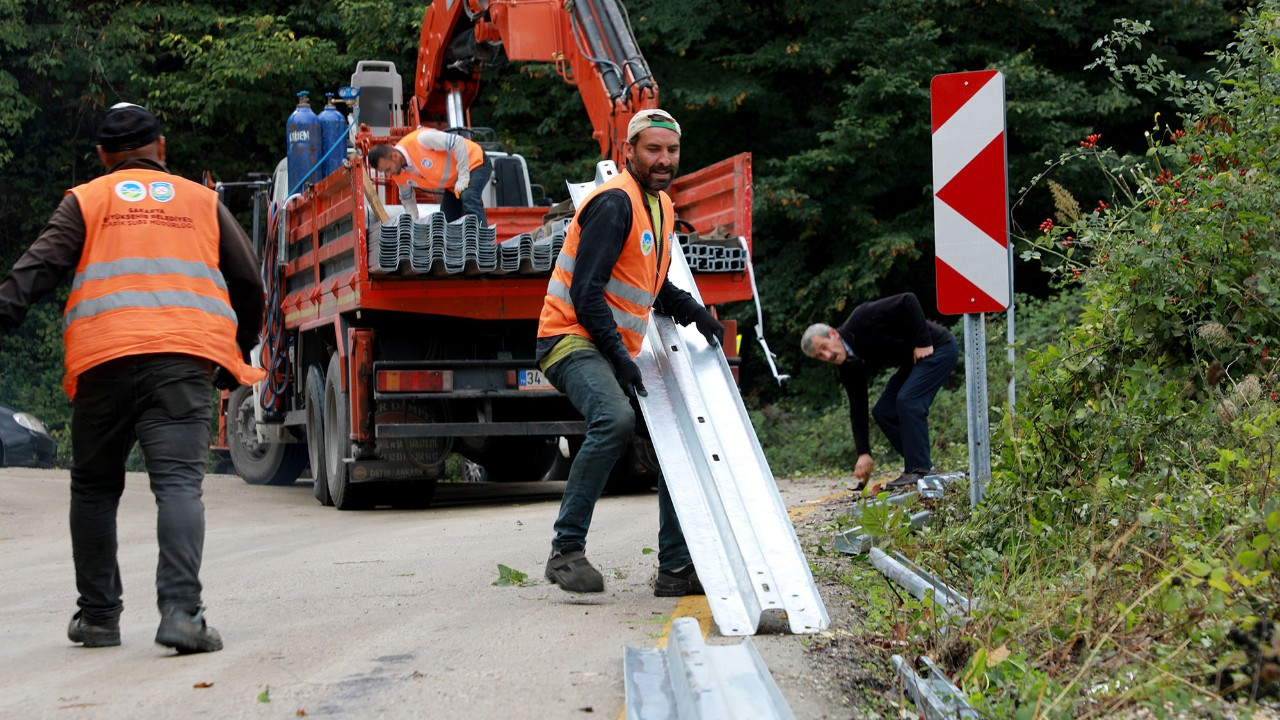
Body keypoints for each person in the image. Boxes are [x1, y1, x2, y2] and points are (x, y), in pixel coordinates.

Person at [0, 102, 265, 653]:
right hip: (183, 361)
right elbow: (249, 282)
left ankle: (98, 618)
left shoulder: (87, 200)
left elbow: (35, 270)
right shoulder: (201, 200)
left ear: (102, 156)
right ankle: (181, 616)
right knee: (178, 487)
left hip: (104, 360)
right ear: (160, 148)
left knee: (95, 489)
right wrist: (230, 353)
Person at [536, 109, 724, 596]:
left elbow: (652, 284)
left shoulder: (658, 204)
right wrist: (620, 358)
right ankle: (566, 551)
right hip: (568, 338)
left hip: (607, 345)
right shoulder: (615, 203)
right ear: (629, 152)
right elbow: (586, 291)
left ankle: (676, 570)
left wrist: (694, 313)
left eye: (672, 150)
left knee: (674, 446)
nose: (664, 160)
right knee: (615, 420)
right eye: (653, 150)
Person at [801, 292, 957, 491]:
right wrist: (863, 453)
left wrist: (923, 342)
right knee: (884, 411)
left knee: (907, 400)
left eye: (824, 347)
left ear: (833, 334)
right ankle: (920, 465)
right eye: (819, 355)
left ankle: (919, 468)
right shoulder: (848, 365)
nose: (827, 355)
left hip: (938, 348)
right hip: (915, 361)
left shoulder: (861, 318)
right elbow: (857, 408)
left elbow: (908, 300)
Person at [367, 127, 492, 224]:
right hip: (454, 183)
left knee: (469, 197)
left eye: (388, 169)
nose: (389, 175)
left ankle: (485, 247)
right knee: (446, 219)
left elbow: (457, 142)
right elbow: (408, 200)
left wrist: (464, 176)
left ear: (395, 156)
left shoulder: (421, 139)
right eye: (385, 172)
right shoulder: (398, 174)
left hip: (474, 162)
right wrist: (414, 224)